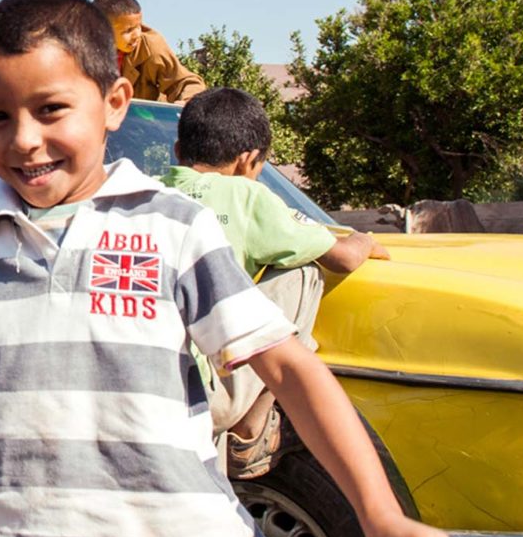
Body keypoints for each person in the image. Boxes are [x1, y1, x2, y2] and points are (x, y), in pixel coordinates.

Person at [0, 0, 445, 537]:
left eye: (51, 109)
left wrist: (379, 513)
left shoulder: (173, 226)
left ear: (114, 104)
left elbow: (286, 367)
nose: (22, 139)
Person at [161, 87, 391, 477]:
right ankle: (252, 428)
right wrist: (365, 240)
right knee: (304, 271)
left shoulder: (146, 194)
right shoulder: (248, 195)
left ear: (178, 151)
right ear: (248, 160)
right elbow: (343, 258)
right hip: (206, 397)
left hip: (150, 386)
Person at [93, 0, 205, 103]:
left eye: (139, 26)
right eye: (128, 30)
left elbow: (185, 82)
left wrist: (186, 102)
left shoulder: (150, 46)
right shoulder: (84, 51)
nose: (137, 34)